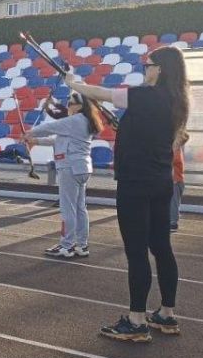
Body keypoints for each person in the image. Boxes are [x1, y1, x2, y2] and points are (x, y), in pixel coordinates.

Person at [67, 45, 189, 341]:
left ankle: (136, 321)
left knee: (136, 252)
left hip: (136, 182)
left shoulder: (143, 95)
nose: (145, 69)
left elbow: (102, 94)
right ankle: (167, 314)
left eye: (148, 64)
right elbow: (176, 142)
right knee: (162, 247)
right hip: (161, 181)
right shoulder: (179, 101)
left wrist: (73, 83)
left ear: (160, 69)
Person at [25, 91, 102, 259]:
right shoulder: (85, 121)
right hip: (82, 168)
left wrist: (31, 133)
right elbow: (58, 139)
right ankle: (81, 245)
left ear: (79, 106)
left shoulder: (75, 120)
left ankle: (67, 246)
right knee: (81, 208)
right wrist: (36, 141)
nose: (67, 105)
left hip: (70, 168)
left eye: (70, 103)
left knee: (68, 208)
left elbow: (49, 128)